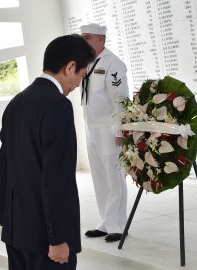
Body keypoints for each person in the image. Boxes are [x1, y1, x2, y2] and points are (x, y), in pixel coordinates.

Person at [0, 34, 95, 270]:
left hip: (16, 232)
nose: (78, 84)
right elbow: (56, 178)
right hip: (45, 239)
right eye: (82, 75)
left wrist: (8, 222)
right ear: (70, 67)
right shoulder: (57, 106)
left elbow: (4, 168)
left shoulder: (16, 102)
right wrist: (58, 238)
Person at [80, 23, 129, 242]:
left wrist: (120, 129)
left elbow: (120, 99)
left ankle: (117, 224)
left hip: (109, 130)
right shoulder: (87, 63)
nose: (83, 41)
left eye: (87, 37)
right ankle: (105, 220)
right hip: (92, 128)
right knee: (99, 177)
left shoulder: (113, 63)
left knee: (114, 177)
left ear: (101, 39)